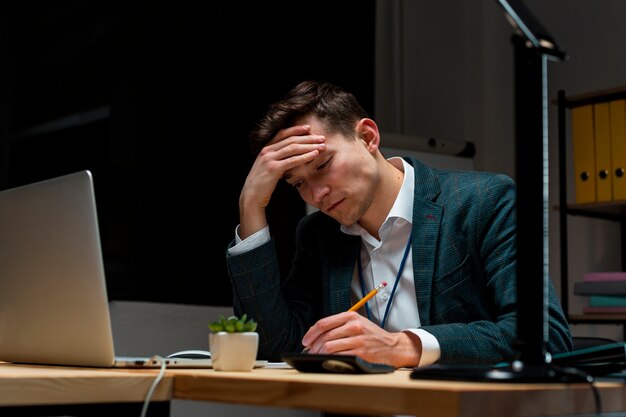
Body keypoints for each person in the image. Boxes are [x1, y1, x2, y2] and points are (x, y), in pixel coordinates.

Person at [225, 80, 572, 368]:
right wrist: (251, 205)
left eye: (322, 164)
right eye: (298, 184)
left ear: (368, 137)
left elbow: (545, 335)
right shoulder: (318, 235)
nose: (316, 194)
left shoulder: (484, 201)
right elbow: (274, 345)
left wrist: (404, 345)